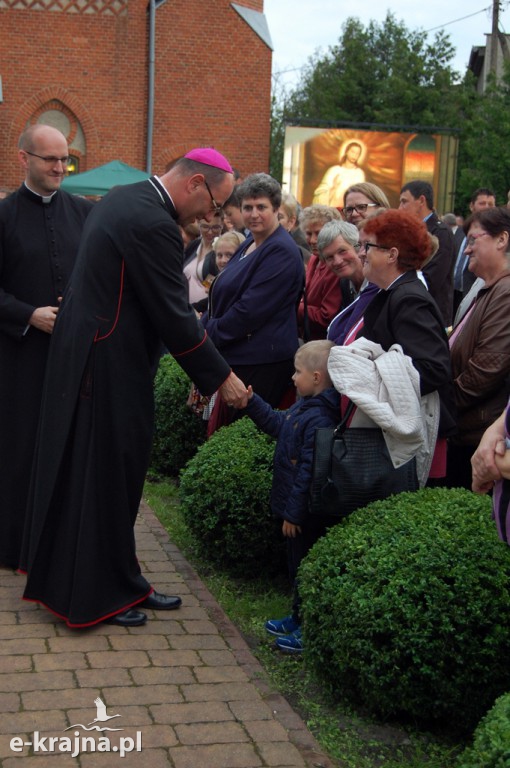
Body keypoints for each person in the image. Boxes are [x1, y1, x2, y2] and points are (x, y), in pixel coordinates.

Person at [20, 147, 249, 628]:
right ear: (194, 183)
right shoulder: (154, 223)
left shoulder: (127, 199)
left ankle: (123, 582)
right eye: (213, 205)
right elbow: (173, 313)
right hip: (106, 365)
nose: (211, 216)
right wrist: (220, 377)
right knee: (101, 480)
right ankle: (95, 596)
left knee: (115, 478)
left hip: (96, 355)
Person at [0, 124, 94, 570]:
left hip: (74, 356)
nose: (60, 168)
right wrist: (28, 315)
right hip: (19, 356)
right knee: (20, 449)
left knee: (71, 446)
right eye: (50, 160)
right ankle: (16, 545)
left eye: (65, 160)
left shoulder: (84, 213)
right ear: (24, 158)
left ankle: (61, 544)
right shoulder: (3, 217)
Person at [240, 340, 340, 654]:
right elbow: (278, 425)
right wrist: (252, 402)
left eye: (298, 372)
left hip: (305, 515)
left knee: (304, 567)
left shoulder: (321, 419)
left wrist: (294, 514)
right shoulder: (305, 406)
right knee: (295, 564)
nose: (292, 378)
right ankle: (296, 616)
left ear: (316, 378)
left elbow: (309, 472)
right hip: (295, 511)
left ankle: (306, 626)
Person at [357, 209, 456, 483]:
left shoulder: (409, 299)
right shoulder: (393, 294)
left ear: (392, 254)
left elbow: (433, 369)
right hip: (399, 432)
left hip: (414, 436)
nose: (361, 253)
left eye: (368, 246)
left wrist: (376, 381)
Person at [201, 173, 303, 434]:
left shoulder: (281, 250)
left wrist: (205, 335)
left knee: (241, 437)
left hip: (262, 361)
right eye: (248, 207)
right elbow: (222, 294)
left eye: (262, 207)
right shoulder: (250, 242)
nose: (254, 214)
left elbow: (249, 311)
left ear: (277, 210)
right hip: (237, 354)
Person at [447, 206, 510, 489]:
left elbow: (486, 370)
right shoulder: (490, 287)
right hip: (468, 428)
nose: (466, 250)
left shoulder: (506, 292)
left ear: (502, 239)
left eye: (473, 240)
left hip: (477, 433)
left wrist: (442, 406)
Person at [399, 180, 456, 328]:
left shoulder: (440, 233)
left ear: (421, 201)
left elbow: (430, 279)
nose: (400, 208)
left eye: (404, 202)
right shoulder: (411, 232)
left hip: (431, 318)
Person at [316, 219, 379, 346]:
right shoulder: (344, 283)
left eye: (342, 251)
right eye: (329, 257)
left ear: (359, 247)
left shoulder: (378, 284)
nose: (338, 261)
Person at [296, 205, 348, 341]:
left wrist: (292, 305)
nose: (313, 240)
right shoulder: (314, 258)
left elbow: (327, 316)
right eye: (308, 233)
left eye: (318, 233)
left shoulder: (336, 266)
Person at [452, 187, 495, 314]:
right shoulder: (459, 232)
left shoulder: (494, 237)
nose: (487, 207)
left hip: (474, 296)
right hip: (453, 294)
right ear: (472, 206)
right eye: (482, 203)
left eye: (491, 204)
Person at [183, 211, 224, 306]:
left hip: (206, 309)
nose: (210, 232)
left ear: (222, 225)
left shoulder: (223, 251)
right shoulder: (193, 245)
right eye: (205, 227)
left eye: (215, 227)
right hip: (185, 306)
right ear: (199, 224)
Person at [313, 141, 365, 208]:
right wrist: (333, 188)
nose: (354, 155)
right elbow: (320, 193)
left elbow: (361, 196)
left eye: (357, 154)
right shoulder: (334, 170)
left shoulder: (359, 173)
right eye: (352, 152)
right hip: (332, 209)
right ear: (346, 152)